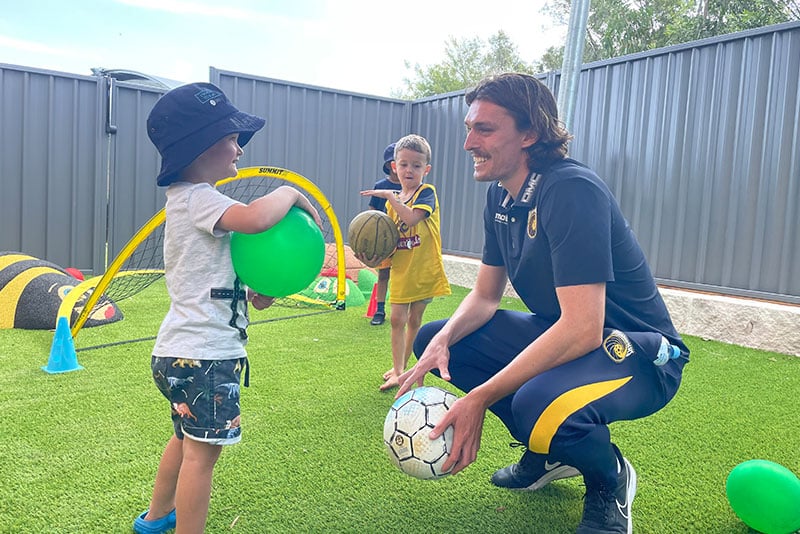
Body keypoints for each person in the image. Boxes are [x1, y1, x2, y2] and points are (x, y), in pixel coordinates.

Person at [397, 73, 688, 534]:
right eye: (469, 128)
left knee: (536, 402)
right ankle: (551, 452)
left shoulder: (571, 190)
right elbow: (486, 295)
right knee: (438, 338)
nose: (469, 141)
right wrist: (445, 339)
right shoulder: (499, 195)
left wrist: (480, 397)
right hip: (573, 340)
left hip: (640, 354)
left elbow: (582, 329)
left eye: (485, 129)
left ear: (530, 133)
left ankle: (610, 478)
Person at [137, 82, 321, 534]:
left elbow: (229, 271)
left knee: (183, 440)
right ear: (203, 147)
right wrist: (291, 193)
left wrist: (259, 291)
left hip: (179, 351)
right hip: (206, 355)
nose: (239, 147)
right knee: (203, 457)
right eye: (231, 138)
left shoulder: (192, 203)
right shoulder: (199, 198)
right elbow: (259, 218)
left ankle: (155, 519)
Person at [360, 134, 450, 391]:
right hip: (401, 269)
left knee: (414, 319)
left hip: (423, 269)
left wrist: (391, 197)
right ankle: (398, 369)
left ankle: (405, 367)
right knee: (397, 319)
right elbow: (389, 238)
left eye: (416, 165)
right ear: (394, 167)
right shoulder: (394, 202)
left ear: (426, 169)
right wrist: (374, 257)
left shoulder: (426, 192)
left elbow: (411, 219)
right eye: (404, 164)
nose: (409, 170)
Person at [365, 142, 402, 326]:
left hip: (404, 238)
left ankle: (403, 308)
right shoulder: (381, 185)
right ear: (388, 165)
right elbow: (372, 209)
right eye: (392, 163)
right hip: (385, 240)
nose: (396, 167)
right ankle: (379, 310)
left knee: (404, 274)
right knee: (383, 274)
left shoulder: (409, 185)